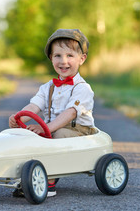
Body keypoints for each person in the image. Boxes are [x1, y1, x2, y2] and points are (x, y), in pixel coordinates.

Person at [9, 28, 96, 198]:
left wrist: (46, 129)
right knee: (26, 136)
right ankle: (26, 176)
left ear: (82, 58)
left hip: (78, 131)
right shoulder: (48, 87)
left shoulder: (82, 88)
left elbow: (71, 113)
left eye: (70, 56)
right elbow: (34, 106)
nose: (63, 61)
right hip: (50, 127)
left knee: (59, 135)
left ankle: (47, 181)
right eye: (57, 56)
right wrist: (19, 117)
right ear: (51, 58)